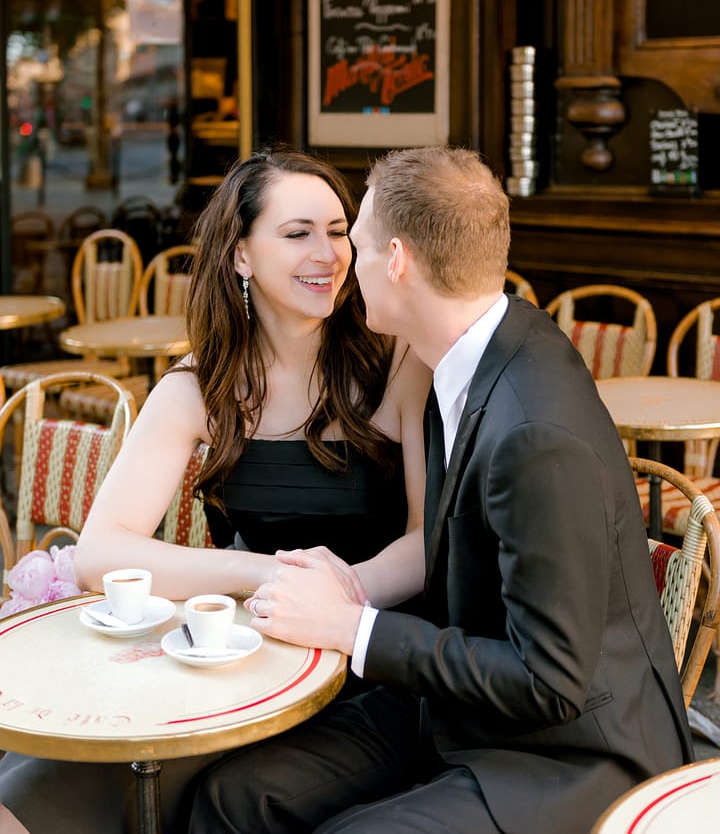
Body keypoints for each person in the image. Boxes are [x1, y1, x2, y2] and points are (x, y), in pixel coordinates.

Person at [188, 146, 693, 834]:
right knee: (234, 797)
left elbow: (549, 681)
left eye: (354, 243)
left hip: (573, 752)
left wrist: (348, 625)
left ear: (395, 261)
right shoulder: (464, 357)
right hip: (455, 706)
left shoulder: (532, 429)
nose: (342, 264)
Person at [0, 147, 430, 834]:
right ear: (240, 256)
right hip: (239, 653)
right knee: (22, 773)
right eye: (297, 233)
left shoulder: (399, 358)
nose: (328, 252)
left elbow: (426, 538)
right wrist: (270, 573)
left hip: (365, 664)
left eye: (338, 229)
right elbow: (100, 550)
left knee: (100, 786)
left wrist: (336, 595)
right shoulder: (199, 385)